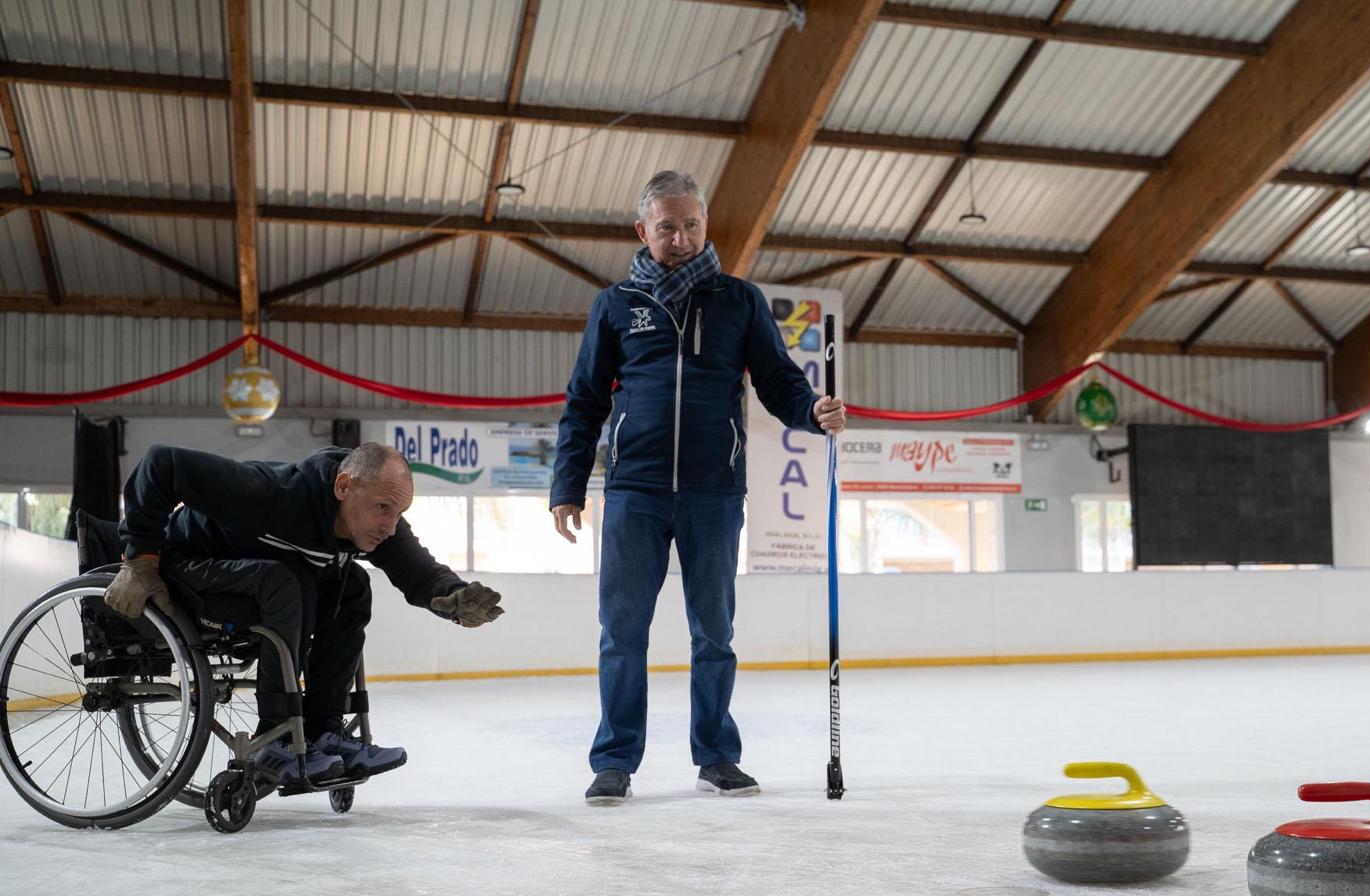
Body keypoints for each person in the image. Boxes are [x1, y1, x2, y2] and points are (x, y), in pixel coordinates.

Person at [551, 169, 846, 806]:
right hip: (634, 490)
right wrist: (566, 485)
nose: (680, 238)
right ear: (643, 230)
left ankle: (716, 755)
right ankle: (614, 761)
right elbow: (582, 403)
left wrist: (811, 412)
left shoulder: (739, 300)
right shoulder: (615, 306)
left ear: (705, 226)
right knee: (621, 632)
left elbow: (778, 382)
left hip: (715, 492)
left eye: (690, 225)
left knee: (713, 632)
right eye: (666, 227)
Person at [105, 441, 504, 783]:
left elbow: (417, 570)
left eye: (398, 513)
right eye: (384, 508)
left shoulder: (374, 521)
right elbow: (161, 463)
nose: (390, 525)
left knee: (352, 587)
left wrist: (453, 597)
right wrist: (140, 559)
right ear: (345, 486)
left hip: (256, 579)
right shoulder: (273, 493)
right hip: (187, 564)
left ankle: (323, 732)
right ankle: (276, 738)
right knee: (286, 580)